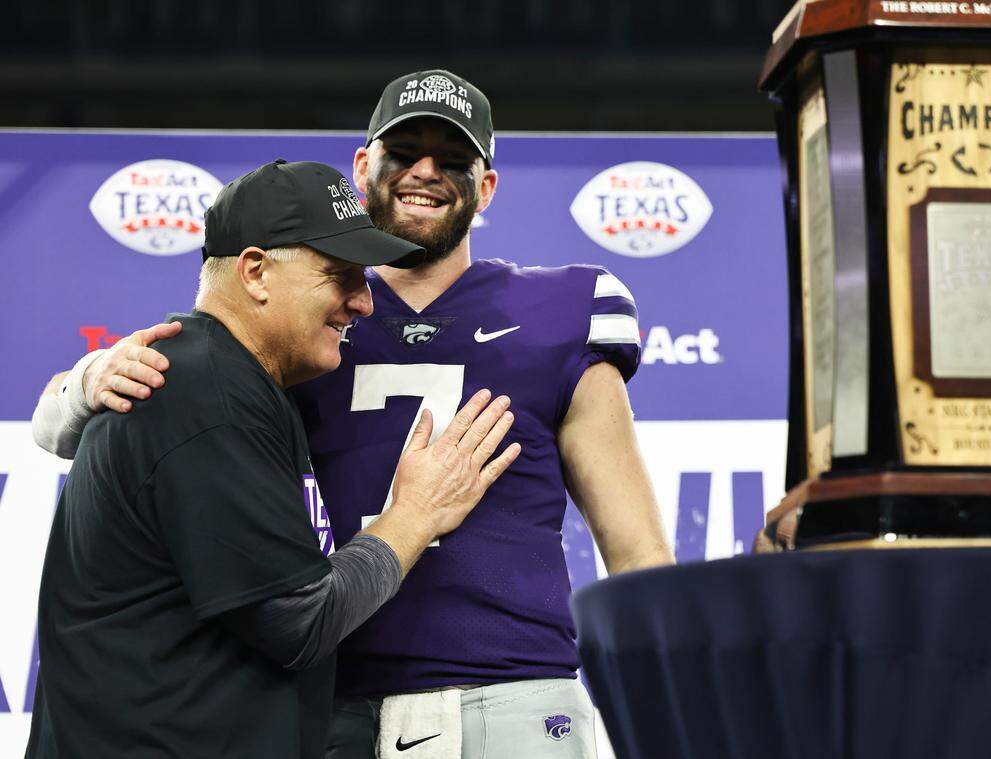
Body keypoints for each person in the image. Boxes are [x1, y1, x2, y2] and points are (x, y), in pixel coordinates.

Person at [33, 70, 674, 759]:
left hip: (508, 694)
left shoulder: (563, 309)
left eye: (453, 158)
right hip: (328, 698)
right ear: (364, 166)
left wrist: (670, 716)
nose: (426, 171)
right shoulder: (297, 320)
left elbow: (637, 553)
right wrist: (91, 377)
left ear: (486, 187)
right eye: (405, 151)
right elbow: (100, 418)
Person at [25, 159, 520, 759]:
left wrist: (77, 383)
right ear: (256, 272)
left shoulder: (229, 380)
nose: (364, 303)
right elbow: (300, 623)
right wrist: (415, 514)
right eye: (340, 275)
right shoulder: (207, 394)